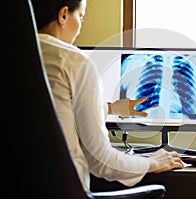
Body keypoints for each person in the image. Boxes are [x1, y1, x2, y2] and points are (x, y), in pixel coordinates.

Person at [31, 0, 184, 192]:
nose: (79, 27)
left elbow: (54, 109)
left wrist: (111, 108)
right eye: (81, 17)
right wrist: (152, 162)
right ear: (63, 15)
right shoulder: (73, 61)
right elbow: (101, 161)